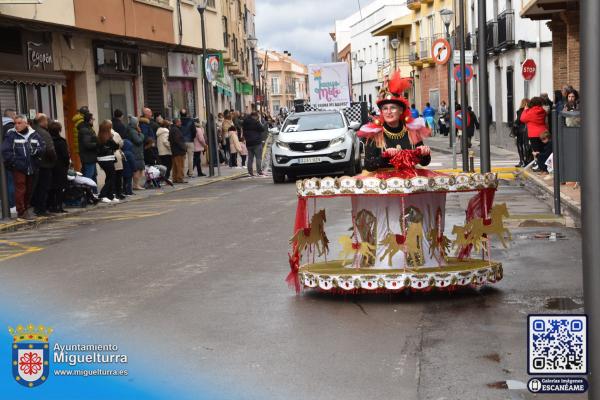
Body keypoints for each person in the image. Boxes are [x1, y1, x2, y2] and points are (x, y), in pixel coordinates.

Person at [362, 73, 431, 171]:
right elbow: (368, 165)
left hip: (409, 182)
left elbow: (424, 163)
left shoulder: (412, 132)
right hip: (383, 183)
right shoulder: (375, 135)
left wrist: (425, 153)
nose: (389, 112)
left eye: (393, 108)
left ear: (401, 111)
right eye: (385, 109)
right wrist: (385, 156)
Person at [1, 115, 46, 221]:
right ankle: (21, 211)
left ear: (26, 123)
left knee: (29, 189)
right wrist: (15, 162)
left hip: (32, 166)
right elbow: (5, 151)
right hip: (18, 167)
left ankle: (25, 209)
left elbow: (42, 146)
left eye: (19, 123)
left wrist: (36, 152)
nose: (17, 125)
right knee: (20, 189)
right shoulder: (11, 134)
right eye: (15, 123)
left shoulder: (34, 134)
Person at [30, 113, 57, 216]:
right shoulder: (43, 133)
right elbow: (49, 149)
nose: (47, 122)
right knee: (43, 187)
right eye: (46, 120)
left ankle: (37, 207)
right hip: (45, 164)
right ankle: (41, 209)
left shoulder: (32, 130)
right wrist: (54, 160)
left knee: (37, 187)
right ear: (42, 121)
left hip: (35, 164)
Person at [47, 121, 70, 213]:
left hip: (50, 166)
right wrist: (67, 164)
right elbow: (65, 156)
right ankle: (59, 206)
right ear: (59, 130)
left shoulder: (48, 140)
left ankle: (51, 206)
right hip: (60, 167)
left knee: (51, 187)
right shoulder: (61, 141)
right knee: (59, 188)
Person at [96, 120, 119, 203]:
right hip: (107, 159)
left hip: (103, 159)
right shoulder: (108, 138)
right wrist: (112, 139)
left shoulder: (99, 137)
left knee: (109, 176)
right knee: (111, 177)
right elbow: (116, 146)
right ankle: (102, 195)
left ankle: (110, 195)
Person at [77, 108, 98, 189]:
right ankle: (87, 194)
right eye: (93, 119)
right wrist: (97, 144)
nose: (93, 120)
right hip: (88, 156)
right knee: (88, 176)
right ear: (89, 120)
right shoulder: (85, 130)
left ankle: (94, 193)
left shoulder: (87, 128)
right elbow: (87, 144)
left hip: (90, 156)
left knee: (93, 175)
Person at [242, 111, 266, 177]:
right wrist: (258, 121)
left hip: (249, 143)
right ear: (254, 116)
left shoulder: (245, 122)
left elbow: (243, 131)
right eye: (257, 116)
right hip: (256, 142)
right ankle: (259, 171)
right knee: (258, 158)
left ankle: (250, 172)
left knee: (250, 158)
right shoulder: (256, 122)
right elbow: (262, 129)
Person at [124, 116, 145, 190]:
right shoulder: (133, 131)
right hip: (136, 153)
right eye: (137, 123)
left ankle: (136, 184)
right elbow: (138, 141)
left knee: (138, 169)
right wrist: (141, 134)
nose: (138, 124)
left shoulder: (130, 130)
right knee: (137, 170)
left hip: (136, 152)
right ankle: (136, 185)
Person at [513, 98, 532, 167]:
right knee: (527, 145)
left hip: (521, 130)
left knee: (519, 145)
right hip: (529, 129)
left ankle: (522, 161)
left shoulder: (520, 111)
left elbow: (518, 120)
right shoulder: (531, 111)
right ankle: (528, 160)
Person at [169, 118, 187, 183]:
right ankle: (180, 178)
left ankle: (175, 178)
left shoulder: (172, 129)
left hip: (174, 150)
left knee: (175, 166)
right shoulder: (176, 130)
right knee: (180, 165)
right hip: (178, 151)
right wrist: (184, 148)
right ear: (177, 122)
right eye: (180, 122)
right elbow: (178, 141)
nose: (181, 123)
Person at [179, 109, 196, 178]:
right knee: (190, 158)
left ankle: (183, 173)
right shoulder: (191, 120)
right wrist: (192, 137)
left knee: (183, 158)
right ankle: (190, 173)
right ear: (186, 114)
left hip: (182, 142)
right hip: (190, 141)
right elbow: (194, 131)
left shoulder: (178, 121)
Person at [111, 126, 126, 200]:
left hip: (107, 157)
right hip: (116, 155)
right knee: (118, 176)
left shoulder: (102, 133)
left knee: (111, 176)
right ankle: (118, 193)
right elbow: (121, 143)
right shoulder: (115, 134)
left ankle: (113, 193)